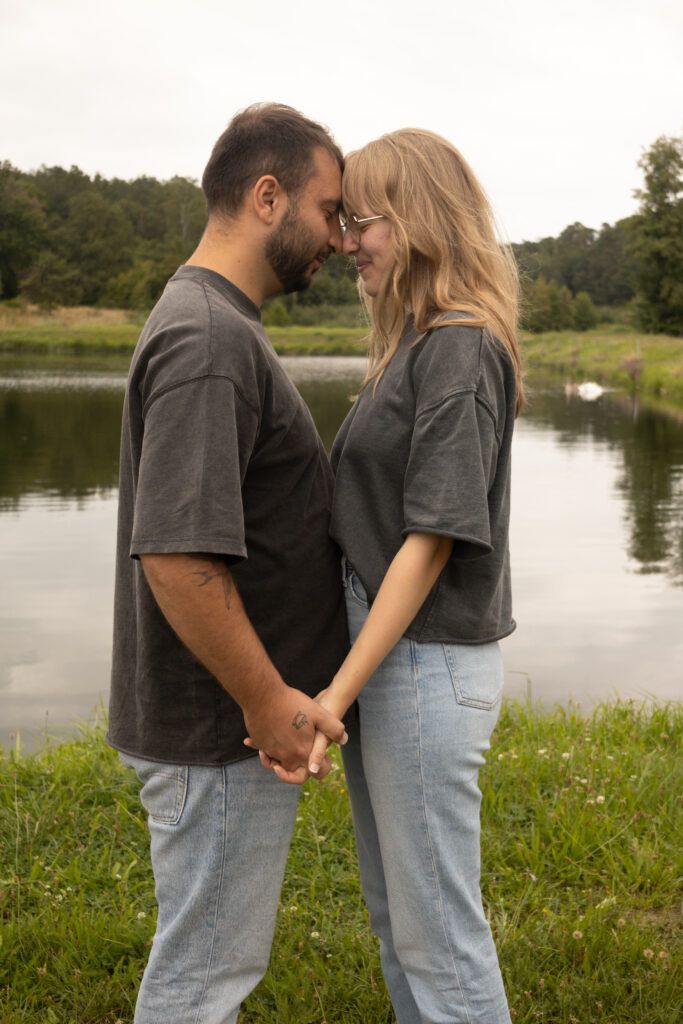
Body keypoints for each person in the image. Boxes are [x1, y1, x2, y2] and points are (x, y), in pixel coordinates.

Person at [260, 128, 523, 1023]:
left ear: (411, 221)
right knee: (398, 924)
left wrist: (335, 692)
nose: (341, 244)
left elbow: (429, 544)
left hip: (425, 662)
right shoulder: (414, 346)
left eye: (358, 221)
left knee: (438, 936)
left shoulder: (459, 347)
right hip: (397, 663)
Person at [107, 102, 351, 1024]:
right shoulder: (211, 339)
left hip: (221, 728)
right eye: (329, 210)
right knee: (203, 978)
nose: (336, 236)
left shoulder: (215, 323)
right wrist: (264, 700)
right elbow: (176, 557)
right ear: (265, 195)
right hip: (220, 731)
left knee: (208, 965)